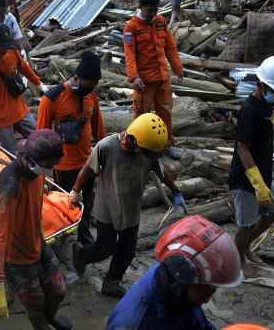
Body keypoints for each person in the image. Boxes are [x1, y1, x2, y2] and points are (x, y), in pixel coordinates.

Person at [71, 113, 187, 297]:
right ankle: (81, 254)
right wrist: (75, 191)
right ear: (132, 140)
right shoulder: (106, 147)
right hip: (107, 207)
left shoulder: (147, 151)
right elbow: (86, 170)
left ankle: (111, 282)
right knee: (105, 248)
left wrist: (176, 191)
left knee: (128, 249)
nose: (147, 155)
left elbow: (161, 172)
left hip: (131, 209)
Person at [0, 129, 72, 330]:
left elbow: (36, 205)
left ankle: (50, 317)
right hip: (15, 254)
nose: (50, 170)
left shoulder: (38, 172)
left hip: (36, 239)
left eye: (53, 165)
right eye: (48, 166)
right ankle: (42, 326)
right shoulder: (10, 186)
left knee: (57, 290)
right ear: (29, 159)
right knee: (36, 301)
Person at [106, 215, 243, 329]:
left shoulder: (181, 288)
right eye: (205, 291)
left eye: (212, 291)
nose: (207, 299)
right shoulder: (131, 324)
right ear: (180, 280)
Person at [229, 56, 274, 278]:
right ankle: (237, 260)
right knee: (245, 224)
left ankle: (245, 246)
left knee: (272, 214)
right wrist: (257, 183)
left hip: (265, 171)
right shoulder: (250, 110)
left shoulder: (268, 104)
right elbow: (242, 149)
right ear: (260, 85)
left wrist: (268, 163)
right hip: (246, 177)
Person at [36, 51, 105, 245]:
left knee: (88, 200)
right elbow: (41, 135)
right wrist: (43, 168)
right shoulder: (52, 98)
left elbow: (99, 131)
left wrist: (103, 156)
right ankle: (62, 234)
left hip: (88, 161)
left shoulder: (91, 97)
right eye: (88, 85)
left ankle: (83, 233)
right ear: (76, 78)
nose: (90, 89)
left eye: (94, 86)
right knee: (66, 202)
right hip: (64, 164)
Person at [124, 0, 183, 143]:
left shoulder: (161, 22)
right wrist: (134, 77)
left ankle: (166, 141)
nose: (152, 14)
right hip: (144, 81)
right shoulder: (131, 27)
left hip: (163, 77)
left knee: (165, 111)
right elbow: (129, 54)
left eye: (155, 10)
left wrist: (178, 68)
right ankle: (138, 142)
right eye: (149, 10)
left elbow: (170, 47)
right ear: (140, 7)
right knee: (142, 113)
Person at [0, 23, 44, 154]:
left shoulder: (11, 51)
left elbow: (25, 69)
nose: (4, 50)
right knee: (10, 155)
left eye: (6, 46)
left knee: (39, 140)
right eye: (1, 48)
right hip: (1, 120)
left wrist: (39, 84)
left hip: (20, 110)